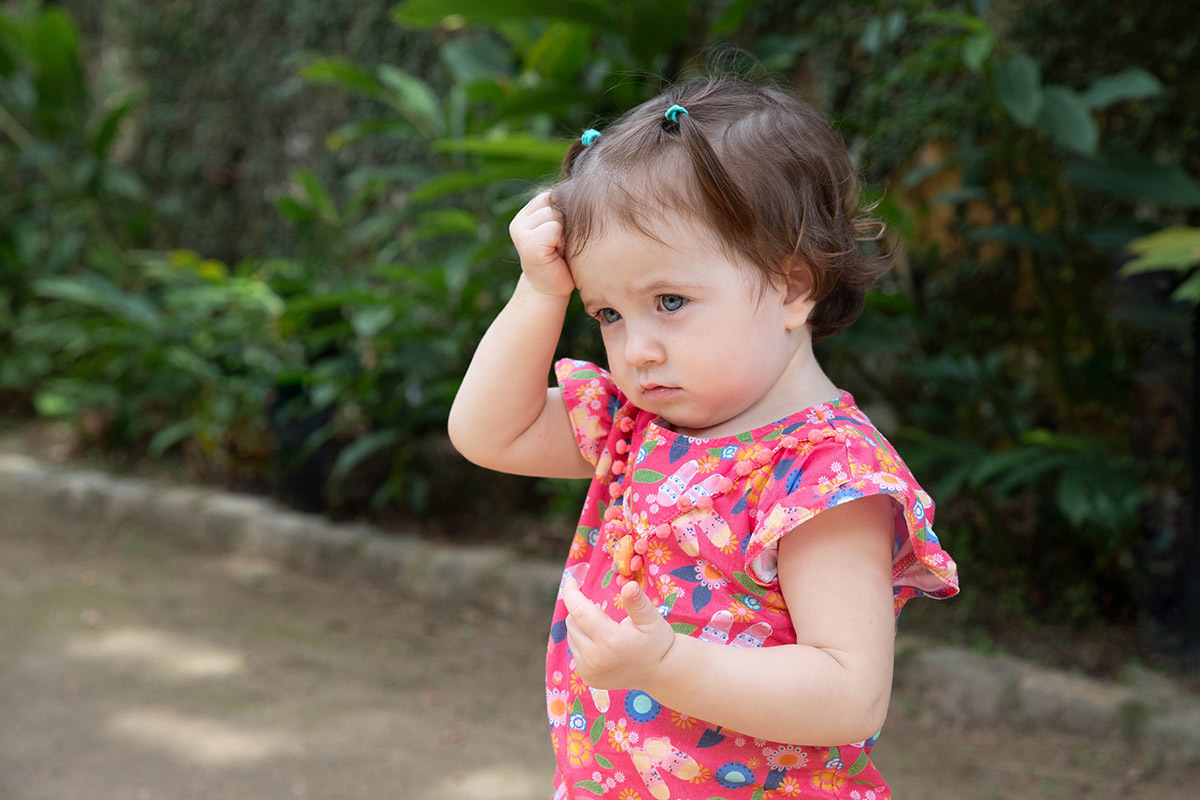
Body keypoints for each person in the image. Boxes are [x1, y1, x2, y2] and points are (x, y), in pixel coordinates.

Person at [448, 76, 959, 799]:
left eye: (669, 302)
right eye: (608, 313)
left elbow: (850, 694)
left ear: (790, 288)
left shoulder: (825, 475)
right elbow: (487, 433)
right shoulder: (637, 426)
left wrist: (665, 666)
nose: (639, 349)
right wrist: (540, 292)